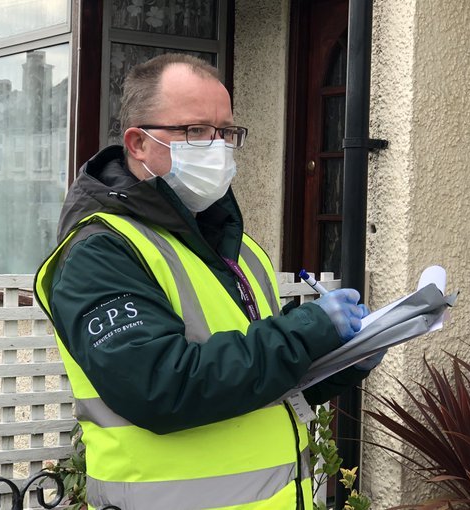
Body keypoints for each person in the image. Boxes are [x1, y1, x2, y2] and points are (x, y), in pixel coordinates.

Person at [34, 53, 384, 510]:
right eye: (195, 131)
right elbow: (160, 387)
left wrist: (343, 355)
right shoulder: (101, 252)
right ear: (137, 143)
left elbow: (265, 379)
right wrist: (305, 331)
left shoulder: (236, 247)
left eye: (226, 132)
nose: (217, 147)